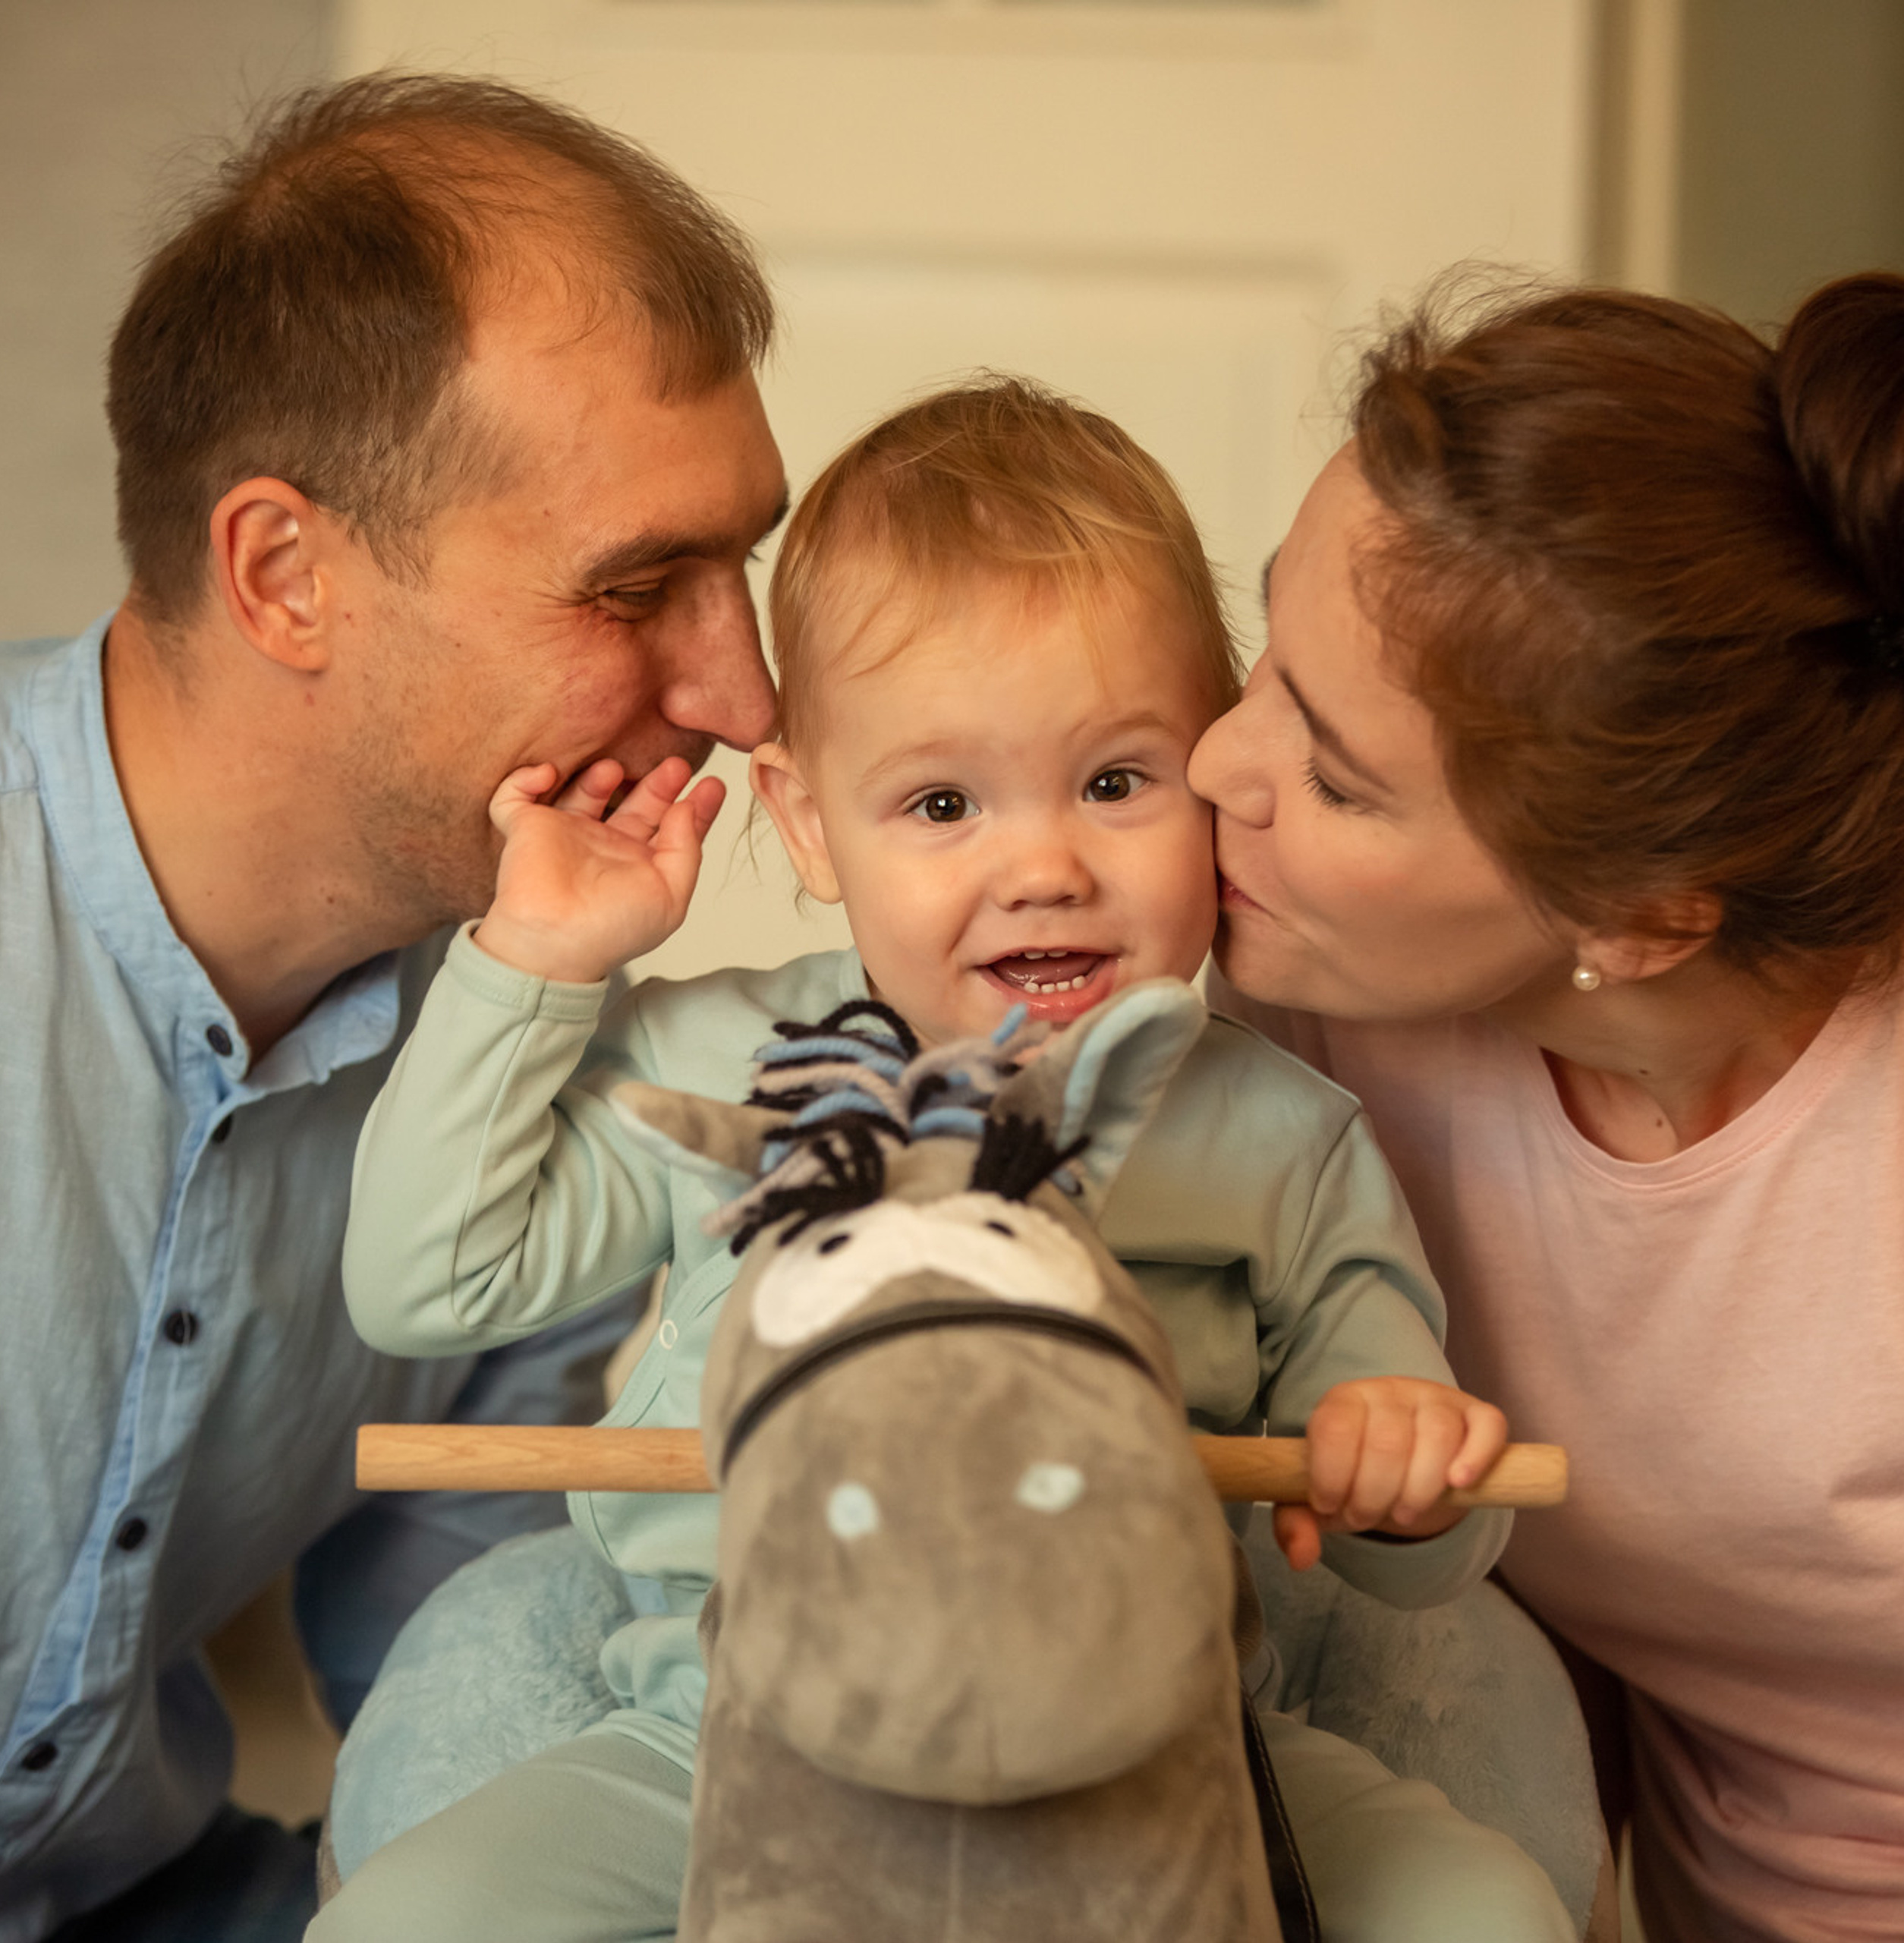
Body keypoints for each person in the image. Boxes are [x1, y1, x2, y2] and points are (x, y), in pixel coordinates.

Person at [311, 376, 1575, 1943]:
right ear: (806, 821)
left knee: (1489, 1910)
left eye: (1115, 782)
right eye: (940, 802)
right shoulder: (720, 1066)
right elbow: (426, 1284)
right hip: (727, 1729)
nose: (1042, 865)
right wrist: (537, 961)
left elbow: (1428, 1563)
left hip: (1160, 1751)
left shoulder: (1287, 1137)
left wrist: (1404, 1474)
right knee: (403, 1922)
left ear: (1211, 771)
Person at [0, 73, 786, 1943]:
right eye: (636, 587)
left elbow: (467, 1685)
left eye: (738, 564)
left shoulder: (535, 1062)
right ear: (286, 575)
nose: (746, 697)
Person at [1189, 271, 1904, 1943]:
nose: (1212, 768)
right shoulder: (1313, 1026)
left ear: (1643, 913)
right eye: (1266, 649)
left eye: (1334, 776)